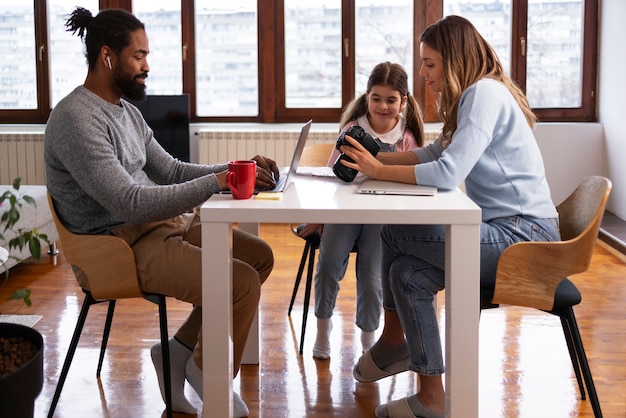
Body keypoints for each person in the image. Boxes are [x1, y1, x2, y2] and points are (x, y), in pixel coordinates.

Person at [44, 7, 279, 417]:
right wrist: (217, 184)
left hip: (157, 226)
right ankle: (210, 376)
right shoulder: (74, 119)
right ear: (107, 56)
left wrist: (235, 170)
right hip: (117, 244)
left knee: (259, 257)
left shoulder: (126, 112)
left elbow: (169, 171)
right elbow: (127, 202)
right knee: (239, 282)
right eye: (139, 56)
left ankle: (179, 351)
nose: (147, 66)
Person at [337, 16, 560, 418]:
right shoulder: (472, 98)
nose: (423, 75)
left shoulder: (484, 95)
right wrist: (375, 160)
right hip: (501, 232)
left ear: (454, 60)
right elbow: (433, 154)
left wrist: (381, 170)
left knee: (394, 229)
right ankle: (432, 399)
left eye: (430, 64)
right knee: (405, 274)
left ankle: (392, 342)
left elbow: (447, 174)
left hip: (525, 240)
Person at [298, 62, 425, 359]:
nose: (382, 106)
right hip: (344, 211)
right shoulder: (353, 129)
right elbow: (331, 177)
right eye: (376, 98)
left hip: (382, 217)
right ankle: (323, 326)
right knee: (328, 263)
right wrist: (320, 216)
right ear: (367, 96)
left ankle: (369, 337)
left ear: (403, 101)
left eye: (391, 100)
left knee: (372, 274)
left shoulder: (406, 137)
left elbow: (413, 182)